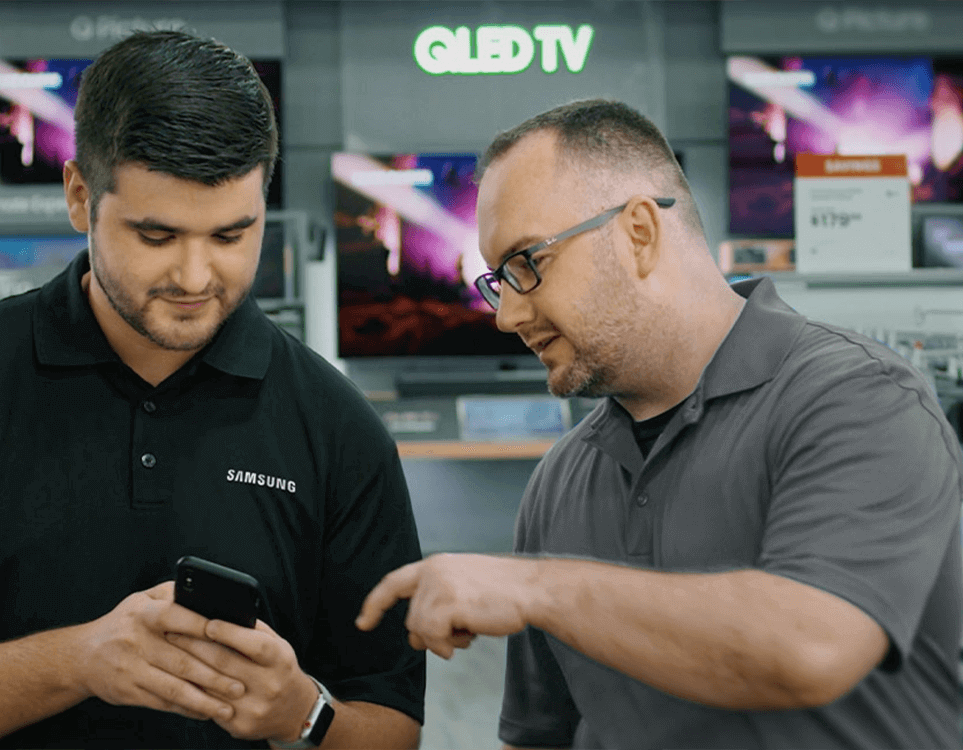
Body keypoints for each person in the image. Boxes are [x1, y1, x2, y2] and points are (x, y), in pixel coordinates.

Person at [0, 31, 424, 750]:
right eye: (156, 235)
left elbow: (392, 726)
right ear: (80, 197)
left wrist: (301, 714)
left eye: (232, 235)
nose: (195, 276)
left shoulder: (336, 426)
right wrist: (80, 661)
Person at [358, 99, 963, 749]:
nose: (506, 315)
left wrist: (533, 587)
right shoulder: (560, 482)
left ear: (639, 232)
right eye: (495, 280)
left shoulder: (858, 399)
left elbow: (810, 645)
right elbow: (541, 737)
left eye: (526, 263)